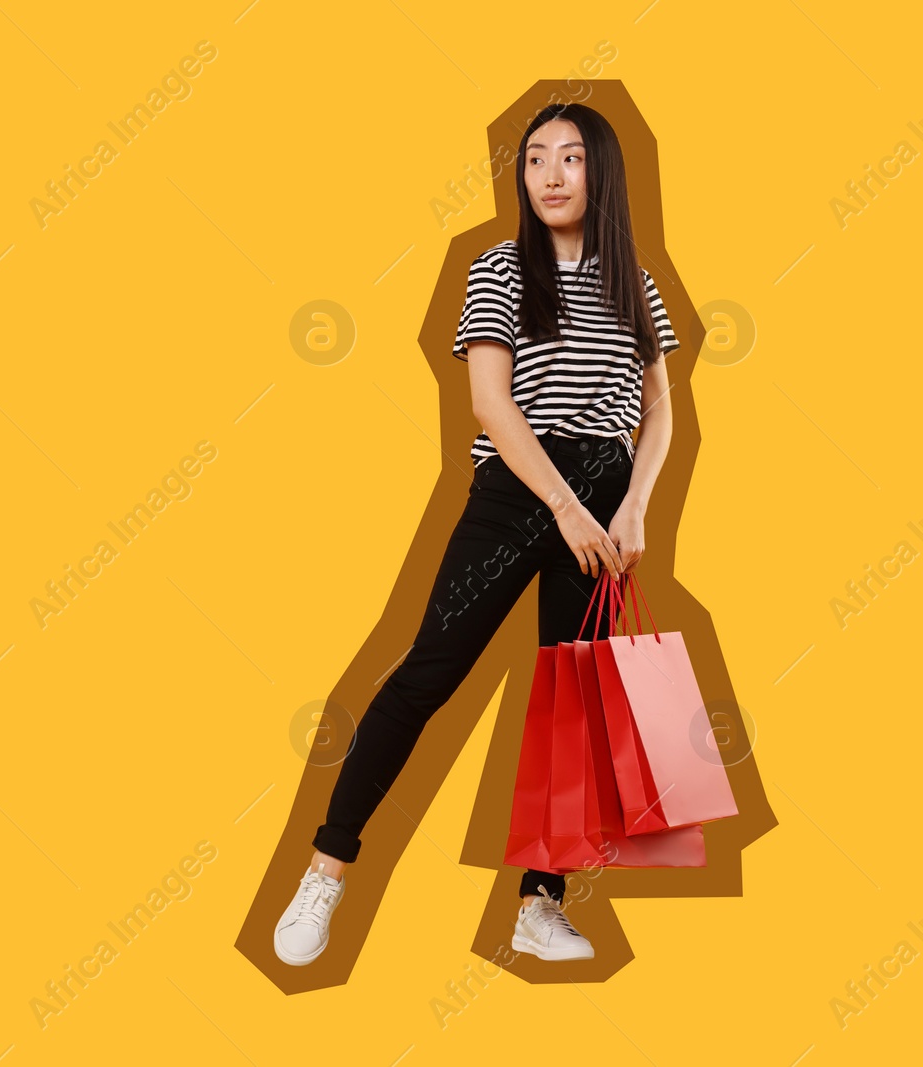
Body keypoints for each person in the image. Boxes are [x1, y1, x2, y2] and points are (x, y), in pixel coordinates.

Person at [274, 101, 679, 966]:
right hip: (517, 495)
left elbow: (661, 410)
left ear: (601, 173)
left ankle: (540, 904)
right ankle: (326, 869)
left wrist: (634, 504)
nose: (552, 175)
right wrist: (566, 508)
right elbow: (491, 402)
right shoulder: (496, 268)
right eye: (536, 159)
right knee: (428, 670)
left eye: (572, 158)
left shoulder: (633, 280)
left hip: (606, 501)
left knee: (573, 703)